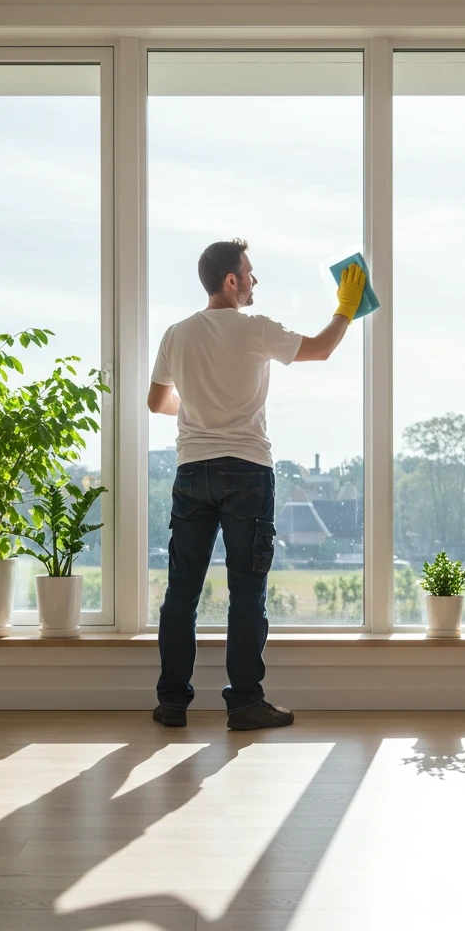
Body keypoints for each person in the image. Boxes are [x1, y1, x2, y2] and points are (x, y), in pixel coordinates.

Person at [147, 238, 366, 730]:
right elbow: (322, 349)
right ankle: (245, 703)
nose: (254, 281)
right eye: (250, 272)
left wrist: (200, 409)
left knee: (181, 593)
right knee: (247, 592)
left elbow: (157, 402)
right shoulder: (255, 329)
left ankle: (172, 704)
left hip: (191, 472)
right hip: (246, 471)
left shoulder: (176, 335)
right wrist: (346, 308)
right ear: (232, 280)